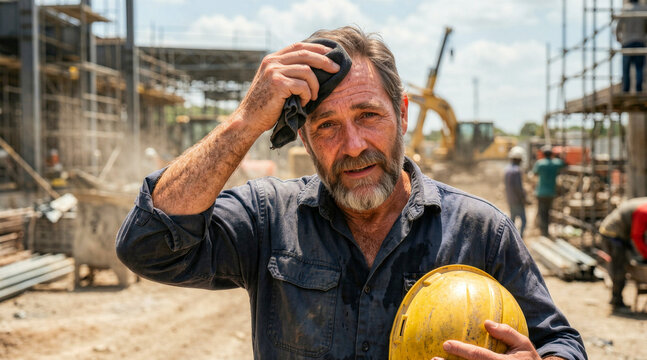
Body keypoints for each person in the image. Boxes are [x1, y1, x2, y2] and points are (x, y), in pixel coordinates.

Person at [116, 26, 586, 360]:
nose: (354, 146)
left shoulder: (480, 231)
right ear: (304, 139)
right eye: (327, 127)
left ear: (402, 114)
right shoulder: (268, 219)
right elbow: (148, 246)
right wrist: (244, 122)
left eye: (368, 116)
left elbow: (560, 343)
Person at [599, 197, 647, 311]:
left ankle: (616, 300)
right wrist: (645, 255)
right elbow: (636, 236)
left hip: (621, 233)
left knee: (620, 266)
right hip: (613, 233)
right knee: (619, 268)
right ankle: (617, 302)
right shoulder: (644, 211)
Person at [532, 145, 565, 238]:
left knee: (542, 212)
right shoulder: (555, 163)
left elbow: (534, 173)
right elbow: (563, 163)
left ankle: (543, 232)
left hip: (540, 192)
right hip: (551, 193)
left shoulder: (540, 163)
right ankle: (545, 231)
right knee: (548, 212)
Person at [616, 0, 647, 93]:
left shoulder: (625, 8)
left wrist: (618, 37)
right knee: (639, 67)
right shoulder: (644, 9)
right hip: (640, 40)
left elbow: (618, 26)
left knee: (626, 68)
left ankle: (626, 89)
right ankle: (639, 89)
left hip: (627, 41)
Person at [504, 146, 528, 237]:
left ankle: (510, 237)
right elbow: (519, 188)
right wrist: (524, 198)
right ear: (519, 159)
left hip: (510, 199)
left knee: (512, 220)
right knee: (524, 220)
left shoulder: (507, 170)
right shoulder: (517, 171)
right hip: (518, 201)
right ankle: (519, 238)